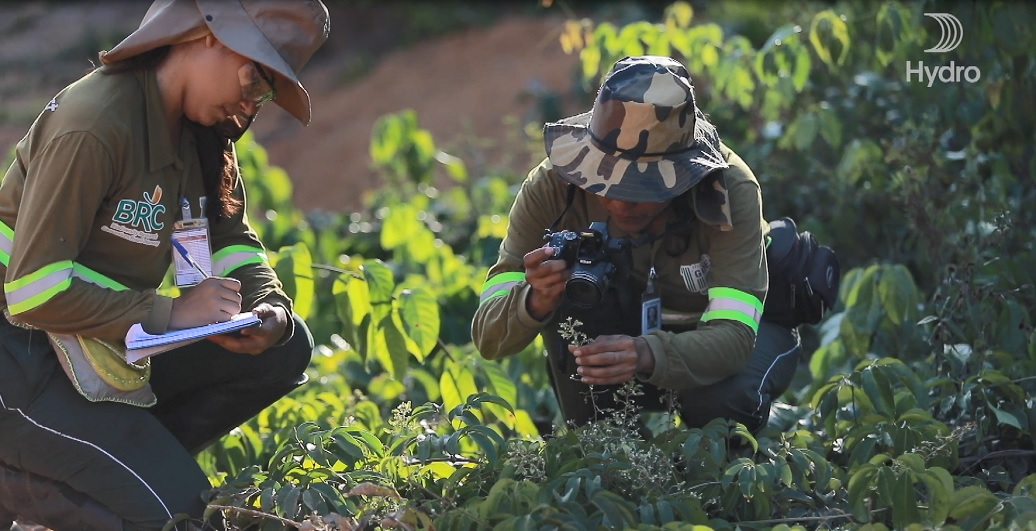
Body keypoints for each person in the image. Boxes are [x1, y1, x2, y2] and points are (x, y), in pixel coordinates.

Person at [0, 0, 329, 529]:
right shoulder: (95, 121)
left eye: (266, 95)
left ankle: (122, 462)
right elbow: (32, 292)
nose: (251, 107)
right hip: (20, 352)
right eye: (255, 80)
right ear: (208, 36)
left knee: (285, 348)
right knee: (182, 517)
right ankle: (34, 482)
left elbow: (229, 237)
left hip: (91, 344)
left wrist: (266, 306)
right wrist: (173, 314)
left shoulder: (200, 131)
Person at [472, 55, 801, 433]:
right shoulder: (553, 188)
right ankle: (608, 454)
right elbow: (488, 338)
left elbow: (735, 336)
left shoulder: (728, 190)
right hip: (627, 328)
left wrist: (646, 353)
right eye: (605, 182)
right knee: (573, 309)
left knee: (720, 408)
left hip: (745, 331)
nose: (620, 202)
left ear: (685, 174)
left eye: (643, 188)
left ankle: (739, 461)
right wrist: (534, 299)